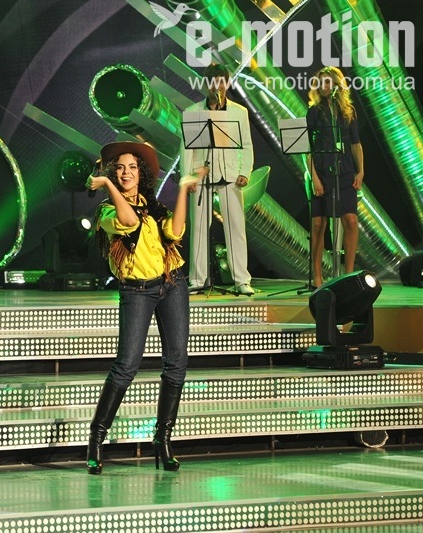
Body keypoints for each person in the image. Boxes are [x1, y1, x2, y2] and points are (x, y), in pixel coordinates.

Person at [85, 141, 207, 474]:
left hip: (171, 284)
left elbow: (175, 232)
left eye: (132, 168)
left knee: (177, 364)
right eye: (120, 168)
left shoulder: (154, 207)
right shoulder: (107, 212)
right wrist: (107, 184)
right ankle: (96, 439)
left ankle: (162, 440)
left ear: (142, 174)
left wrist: (183, 190)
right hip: (136, 291)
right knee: (127, 365)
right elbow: (129, 221)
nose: (126, 173)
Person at [181, 63, 255, 295]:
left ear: (227, 84)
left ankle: (241, 280)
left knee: (236, 228)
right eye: (214, 83)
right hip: (201, 175)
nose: (218, 88)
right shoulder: (192, 111)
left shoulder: (239, 112)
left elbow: (247, 145)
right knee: (199, 229)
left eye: (222, 83)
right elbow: (186, 148)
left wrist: (245, 171)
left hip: (230, 175)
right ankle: (197, 279)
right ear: (207, 85)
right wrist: (188, 177)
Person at [306, 66, 364, 288]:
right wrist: (314, 178)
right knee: (319, 224)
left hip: (344, 171)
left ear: (337, 85)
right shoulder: (314, 112)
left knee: (350, 220)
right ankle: (318, 276)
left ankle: (348, 276)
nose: (324, 87)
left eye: (328, 82)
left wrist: (360, 171)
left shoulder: (348, 111)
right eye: (320, 82)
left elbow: (356, 143)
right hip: (321, 172)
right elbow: (307, 149)